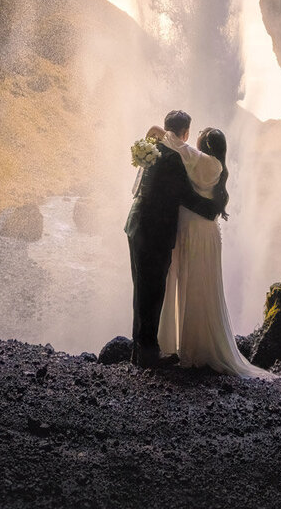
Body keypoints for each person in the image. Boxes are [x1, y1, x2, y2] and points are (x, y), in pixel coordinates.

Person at [154, 123, 274, 380]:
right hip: (205, 233)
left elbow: (175, 143)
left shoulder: (204, 161)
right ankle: (195, 345)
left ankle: (187, 348)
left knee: (188, 283)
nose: (194, 139)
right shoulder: (216, 166)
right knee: (202, 286)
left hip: (192, 231)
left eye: (199, 137)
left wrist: (157, 130)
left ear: (206, 145)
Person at [124, 109, 219, 368]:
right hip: (155, 232)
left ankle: (139, 351)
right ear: (186, 132)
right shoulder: (174, 159)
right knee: (153, 292)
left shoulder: (152, 148)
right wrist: (214, 210)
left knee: (141, 289)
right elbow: (186, 196)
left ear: (167, 128)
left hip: (136, 225)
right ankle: (148, 356)